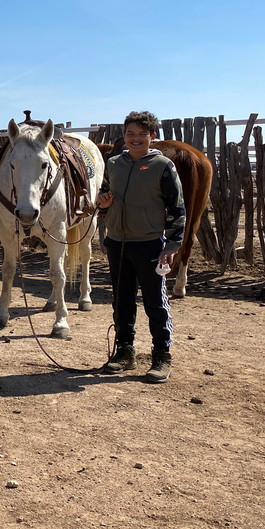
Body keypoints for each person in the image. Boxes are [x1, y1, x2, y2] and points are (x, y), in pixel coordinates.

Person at [96, 111, 186, 383]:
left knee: (155, 302)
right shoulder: (114, 163)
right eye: (130, 134)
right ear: (124, 136)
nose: (135, 139)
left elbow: (177, 208)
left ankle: (161, 355)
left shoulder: (163, 166)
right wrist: (103, 203)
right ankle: (125, 351)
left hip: (149, 244)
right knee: (121, 300)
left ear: (152, 137)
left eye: (141, 134)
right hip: (117, 243)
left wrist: (171, 245)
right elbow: (103, 195)